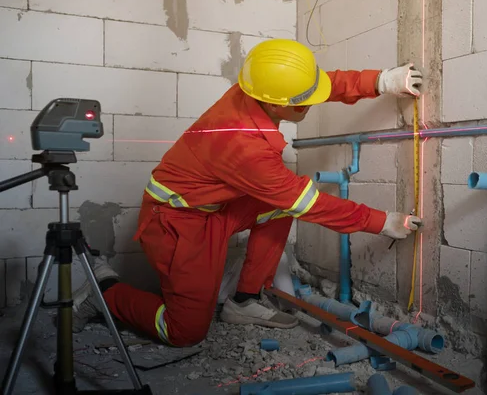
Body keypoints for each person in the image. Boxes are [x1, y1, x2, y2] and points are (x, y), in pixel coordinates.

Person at [71, 39, 423, 347]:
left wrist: (380, 81)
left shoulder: (258, 86)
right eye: (303, 104)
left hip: (212, 208)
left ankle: (243, 301)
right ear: (272, 104)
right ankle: (106, 291)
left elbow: (317, 85)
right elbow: (310, 203)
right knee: (184, 332)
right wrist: (381, 221)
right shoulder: (245, 147)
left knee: (279, 209)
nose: (311, 105)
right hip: (177, 223)